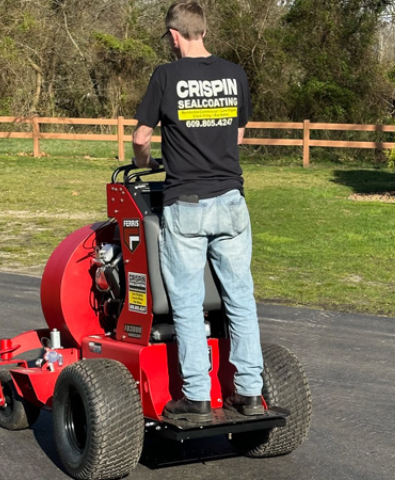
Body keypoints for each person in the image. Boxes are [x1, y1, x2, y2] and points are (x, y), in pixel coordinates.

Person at [132, 1, 264, 422]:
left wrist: (144, 163)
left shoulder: (166, 76)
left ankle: (197, 395)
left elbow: (140, 137)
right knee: (240, 298)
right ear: (202, 31)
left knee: (187, 303)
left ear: (174, 36)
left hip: (186, 204)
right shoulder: (235, 74)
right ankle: (248, 392)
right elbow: (238, 133)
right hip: (230, 201)